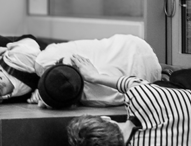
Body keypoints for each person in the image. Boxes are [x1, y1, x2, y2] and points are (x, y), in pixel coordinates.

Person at [27, 34, 161, 109]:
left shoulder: (98, 99)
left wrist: (47, 100)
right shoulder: (50, 57)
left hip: (152, 75)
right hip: (135, 44)